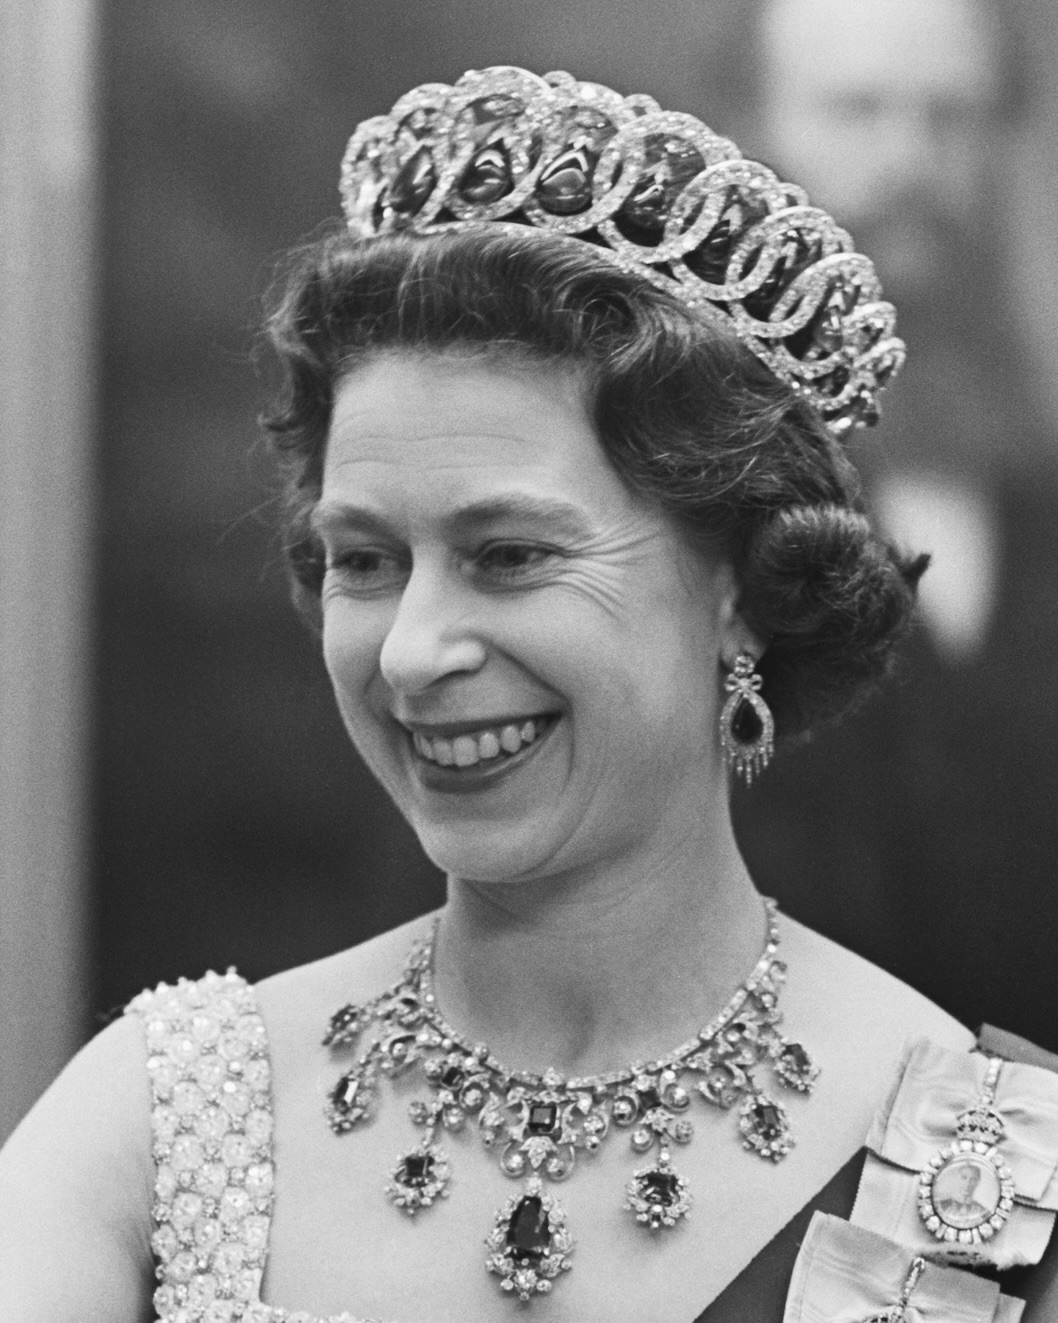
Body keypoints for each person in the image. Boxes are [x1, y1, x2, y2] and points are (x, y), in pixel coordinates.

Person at [1, 65, 1056, 1322]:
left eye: (509, 556)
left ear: (740, 585)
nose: (409, 653)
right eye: (365, 562)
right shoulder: (158, 1126)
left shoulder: (979, 1177)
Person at [741, 0, 1058, 1045]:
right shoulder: (667, 500)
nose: (910, 159)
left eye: (949, 116)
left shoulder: (1033, 484)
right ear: (756, 127)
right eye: (856, 109)